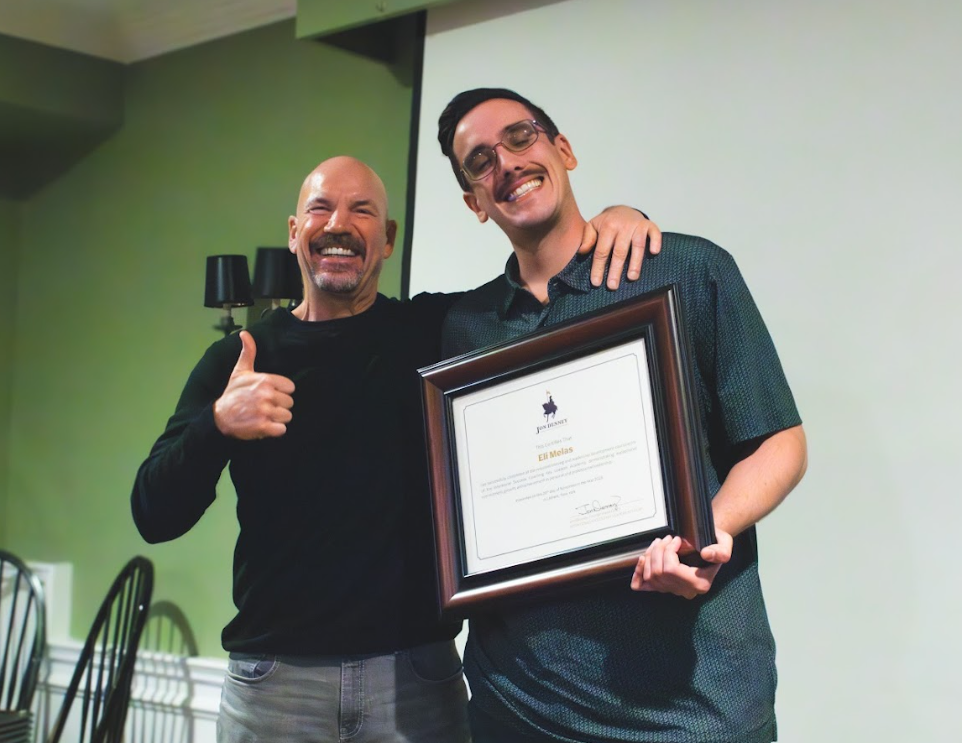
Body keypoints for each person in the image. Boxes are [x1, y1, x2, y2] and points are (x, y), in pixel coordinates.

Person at [131, 155, 661, 743]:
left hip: (416, 679)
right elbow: (154, 515)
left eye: (362, 211)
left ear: (386, 240)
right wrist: (217, 424)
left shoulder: (436, 330)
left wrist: (616, 220)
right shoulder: (241, 358)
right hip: (276, 683)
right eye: (320, 208)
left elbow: (540, 290)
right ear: (293, 232)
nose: (339, 223)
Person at [437, 88, 808, 743]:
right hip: (518, 706)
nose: (508, 164)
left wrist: (707, 529)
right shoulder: (464, 331)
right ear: (474, 201)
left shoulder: (689, 270)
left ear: (564, 150)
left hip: (694, 708)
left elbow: (779, 441)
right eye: (480, 161)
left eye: (521, 138)